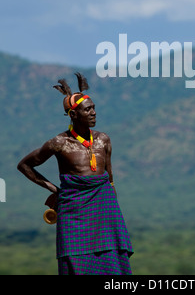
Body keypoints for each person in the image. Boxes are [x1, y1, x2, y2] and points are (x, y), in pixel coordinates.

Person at [17, 72, 133, 275]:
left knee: (112, 260)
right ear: (73, 115)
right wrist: (55, 190)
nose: (93, 113)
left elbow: (110, 177)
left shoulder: (103, 139)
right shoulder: (59, 143)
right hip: (73, 211)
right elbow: (25, 165)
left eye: (94, 108)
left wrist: (112, 208)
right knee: (74, 259)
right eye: (87, 110)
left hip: (104, 208)